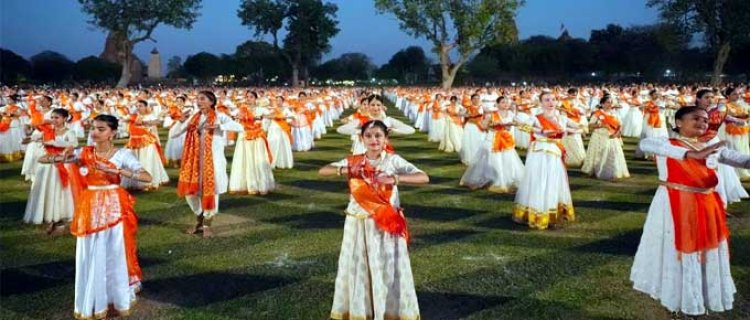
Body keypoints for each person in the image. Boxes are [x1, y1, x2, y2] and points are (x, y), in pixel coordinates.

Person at [630, 106, 750, 317]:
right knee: (678, 251)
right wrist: (692, 154)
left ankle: (699, 292)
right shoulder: (666, 143)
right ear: (678, 123)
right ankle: (677, 296)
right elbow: (645, 143)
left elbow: (737, 158)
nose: (702, 123)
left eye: (705, 120)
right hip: (676, 202)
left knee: (706, 251)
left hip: (706, 203)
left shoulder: (710, 145)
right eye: (695, 118)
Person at [42, 114, 152, 319]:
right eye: (93, 128)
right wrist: (59, 157)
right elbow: (43, 159)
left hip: (114, 207)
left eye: (101, 129)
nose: (95, 132)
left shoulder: (122, 154)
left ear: (113, 133)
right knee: (91, 251)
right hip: (90, 206)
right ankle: (94, 298)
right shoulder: (84, 152)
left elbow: (147, 177)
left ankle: (115, 297)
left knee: (115, 251)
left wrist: (118, 170)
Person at [320, 120, 428, 320]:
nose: (373, 140)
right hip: (358, 222)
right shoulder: (354, 160)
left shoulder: (393, 160)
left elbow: (423, 177)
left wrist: (395, 179)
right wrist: (345, 170)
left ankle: (388, 310)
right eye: (368, 136)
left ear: (386, 138)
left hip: (386, 222)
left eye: (378, 135)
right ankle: (361, 310)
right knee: (358, 263)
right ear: (361, 139)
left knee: (386, 265)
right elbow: (323, 170)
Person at [172, 91, 243, 238]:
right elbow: (174, 134)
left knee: (211, 190)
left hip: (213, 161)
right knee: (191, 193)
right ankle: (199, 218)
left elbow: (239, 127)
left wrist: (219, 126)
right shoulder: (193, 117)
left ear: (211, 102)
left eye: (202, 99)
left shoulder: (219, 116)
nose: (199, 102)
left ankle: (207, 224)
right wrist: (181, 120)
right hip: (193, 161)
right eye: (197, 99)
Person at [513, 91, 580, 230]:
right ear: (541, 102)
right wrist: (541, 131)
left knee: (553, 180)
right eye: (547, 100)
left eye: (553, 99)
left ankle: (551, 213)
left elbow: (580, 127)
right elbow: (522, 126)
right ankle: (536, 212)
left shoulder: (562, 117)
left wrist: (570, 129)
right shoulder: (536, 117)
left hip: (555, 151)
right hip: (540, 151)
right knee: (539, 180)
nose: (551, 103)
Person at [23, 108, 78, 234]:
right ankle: (45, 213)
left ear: (65, 119)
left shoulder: (69, 132)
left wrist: (53, 142)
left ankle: (61, 212)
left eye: (57, 118)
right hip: (47, 163)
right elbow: (35, 136)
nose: (54, 120)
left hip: (62, 163)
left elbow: (73, 144)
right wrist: (33, 138)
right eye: (52, 117)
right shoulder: (47, 130)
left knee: (61, 189)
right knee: (45, 187)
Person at [694, 88, 748, 207]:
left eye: (712, 97)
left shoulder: (716, 111)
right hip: (699, 143)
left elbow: (726, 117)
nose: (710, 100)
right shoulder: (692, 112)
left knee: (720, 169)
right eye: (706, 97)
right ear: (698, 99)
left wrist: (739, 121)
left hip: (714, 141)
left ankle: (719, 198)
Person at [460, 96, 524, 192]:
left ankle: (507, 178)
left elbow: (519, 123)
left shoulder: (511, 114)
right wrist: (493, 125)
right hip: (493, 138)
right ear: (497, 104)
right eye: (503, 102)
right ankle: (495, 180)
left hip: (505, 139)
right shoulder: (492, 115)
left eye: (507, 102)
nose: (506, 104)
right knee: (494, 159)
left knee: (508, 158)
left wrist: (512, 124)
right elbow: (483, 125)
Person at [229, 92, 275, 195]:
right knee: (245, 159)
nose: (249, 99)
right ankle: (247, 185)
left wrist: (263, 117)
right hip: (245, 136)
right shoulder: (242, 109)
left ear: (255, 99)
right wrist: (241, 118)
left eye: (251, 97)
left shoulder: (260, 109)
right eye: (247, 97)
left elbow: (273, 115)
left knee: (258, 158)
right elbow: (234, 117)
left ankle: (261, 185)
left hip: (257, 136)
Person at [122, 100, 169, 190]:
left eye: (141, 106)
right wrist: (130, 119)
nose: (138, 108)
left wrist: (145, 123)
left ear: (146, 107)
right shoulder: (134, 116)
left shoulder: (150, 116)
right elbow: (124, 120)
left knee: (146, 160)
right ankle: (135, 182)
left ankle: (146, 182)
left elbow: (157, 122)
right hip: (134, 143)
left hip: (146, 143)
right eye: (137, 106)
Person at [581, 95, 630, 180]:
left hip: (612, 137)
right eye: (607, 102)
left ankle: (613, 172)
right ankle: (597, 170)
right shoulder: (597, 113)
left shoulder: (614, 113)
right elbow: (590, 125)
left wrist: (617, 133)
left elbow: (620, 125)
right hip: (599, 137)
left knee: (613, 154)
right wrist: (601, 125)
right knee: (599, 154)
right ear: (602, 104)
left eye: (611, 102)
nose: (609, 104)